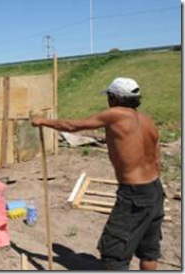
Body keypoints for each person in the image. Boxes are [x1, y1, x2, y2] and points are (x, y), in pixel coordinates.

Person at [31, 77, 164, 270]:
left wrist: (43, 121)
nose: (108, 100)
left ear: (116, 97)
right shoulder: (147, 121)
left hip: (134, 194)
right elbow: (157, 158)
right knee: (148, 251)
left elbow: (72, 126)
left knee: (113, 254)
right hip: (155, 190)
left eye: (109, 96)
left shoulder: (115, 114)